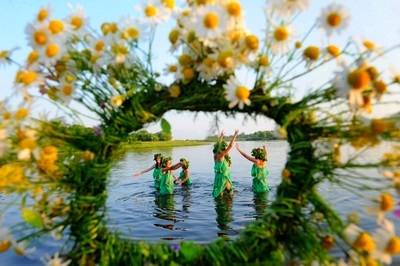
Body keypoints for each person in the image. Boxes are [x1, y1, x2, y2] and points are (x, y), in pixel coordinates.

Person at [212, 129, 239, 197]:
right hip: (223, 178)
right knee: (230, 194)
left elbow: (219, 145)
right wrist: (235, 135)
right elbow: (230, 146)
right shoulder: (221, 156)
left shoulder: (215, 156)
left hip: (218, 178)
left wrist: (221, 136)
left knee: (220, 195)